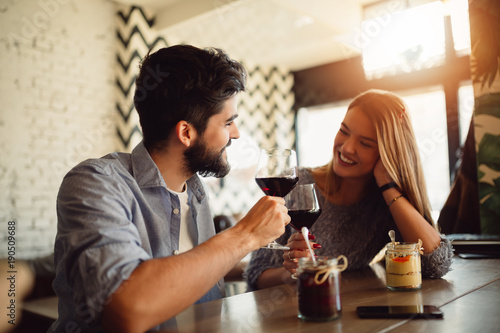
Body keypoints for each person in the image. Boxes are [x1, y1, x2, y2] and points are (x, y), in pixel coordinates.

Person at [49, 45, 290, 332]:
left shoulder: (197, 191)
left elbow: (193, 270)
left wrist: (282, 274)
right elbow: (128, 309)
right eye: (228, 122)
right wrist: (246, 234)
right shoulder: (96, 183)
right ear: (186, 132)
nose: (235, 134)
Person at [245, 89, 454, 291]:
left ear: (386, 153)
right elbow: (256, 275)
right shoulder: (297, 184)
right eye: (344, 131)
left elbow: (435, 265)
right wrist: (292, 272)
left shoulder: (384, 205)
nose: (346, 148)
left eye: (365, 143)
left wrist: (388, 186)